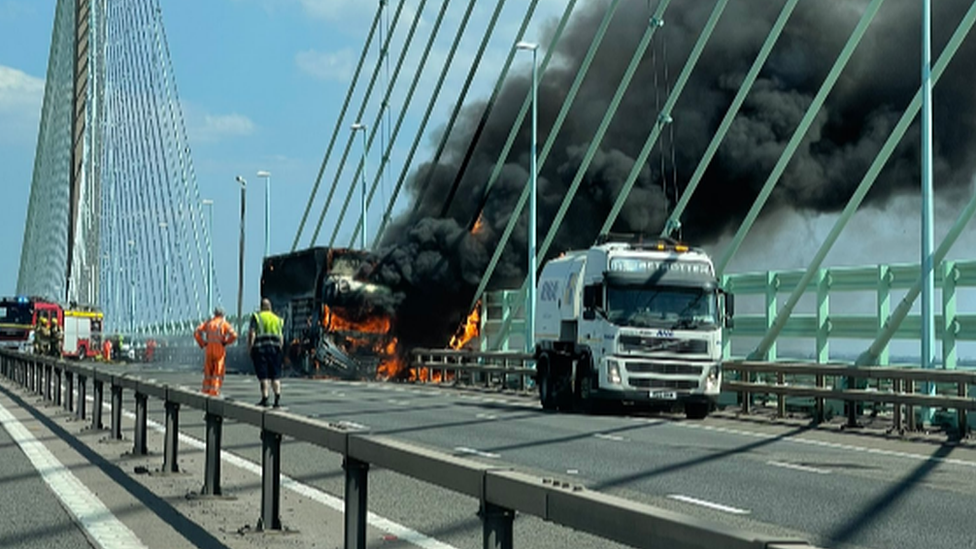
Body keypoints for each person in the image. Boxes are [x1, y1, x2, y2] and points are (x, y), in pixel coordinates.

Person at [248, 298, 284, 407]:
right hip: (275, 350)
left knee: (264, 376)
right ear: (270, 307)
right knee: (275, 376)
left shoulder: (257, 317)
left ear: (261, 307)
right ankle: (277, 398)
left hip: (261, 349)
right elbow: (281, 336)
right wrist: (280, 348)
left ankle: (265, 398)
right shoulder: (277, 319)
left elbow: (252, 334)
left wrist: (250, 347)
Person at [194, 307, 238, 396]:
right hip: (219, 351)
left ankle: (205, 390)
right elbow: (234, 335)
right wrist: (226, 342)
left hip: (209, 350)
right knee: (217, 373)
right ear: (223, 315)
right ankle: (214, 391)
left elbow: (196, 332)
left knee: (208, 373)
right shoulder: (224, 324)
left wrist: (202, 343)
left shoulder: (209, 323)